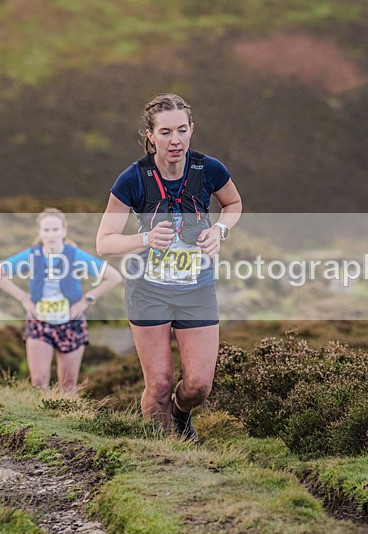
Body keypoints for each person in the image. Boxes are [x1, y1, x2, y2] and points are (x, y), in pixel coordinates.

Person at [96, 93, 242, 441]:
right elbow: (104, 242)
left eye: (181, 130)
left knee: (198, 386)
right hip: (148, 292)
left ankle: (180, 416)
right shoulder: (132, 179)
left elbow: (233, 203)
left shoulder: (209, 170)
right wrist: (144, 240)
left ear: (192, 129)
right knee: (159, 384)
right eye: (165, 132)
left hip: (196, 290)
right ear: (150, 135)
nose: (174, 140)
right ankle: (161, 455)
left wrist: (219, 230)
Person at [0, 208, 122, 393]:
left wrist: (86, 301)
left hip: (71, 324)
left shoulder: (75, 255)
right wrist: (23, 298)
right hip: (39, 323)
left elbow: (114, 277)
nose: (51, 234)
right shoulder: (32, 255)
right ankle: (38, 421)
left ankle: (67, 419)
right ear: (39, 232)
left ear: (64, 231)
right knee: (38, 382)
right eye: (46, 230)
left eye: (55, 229)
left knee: (68, 387)